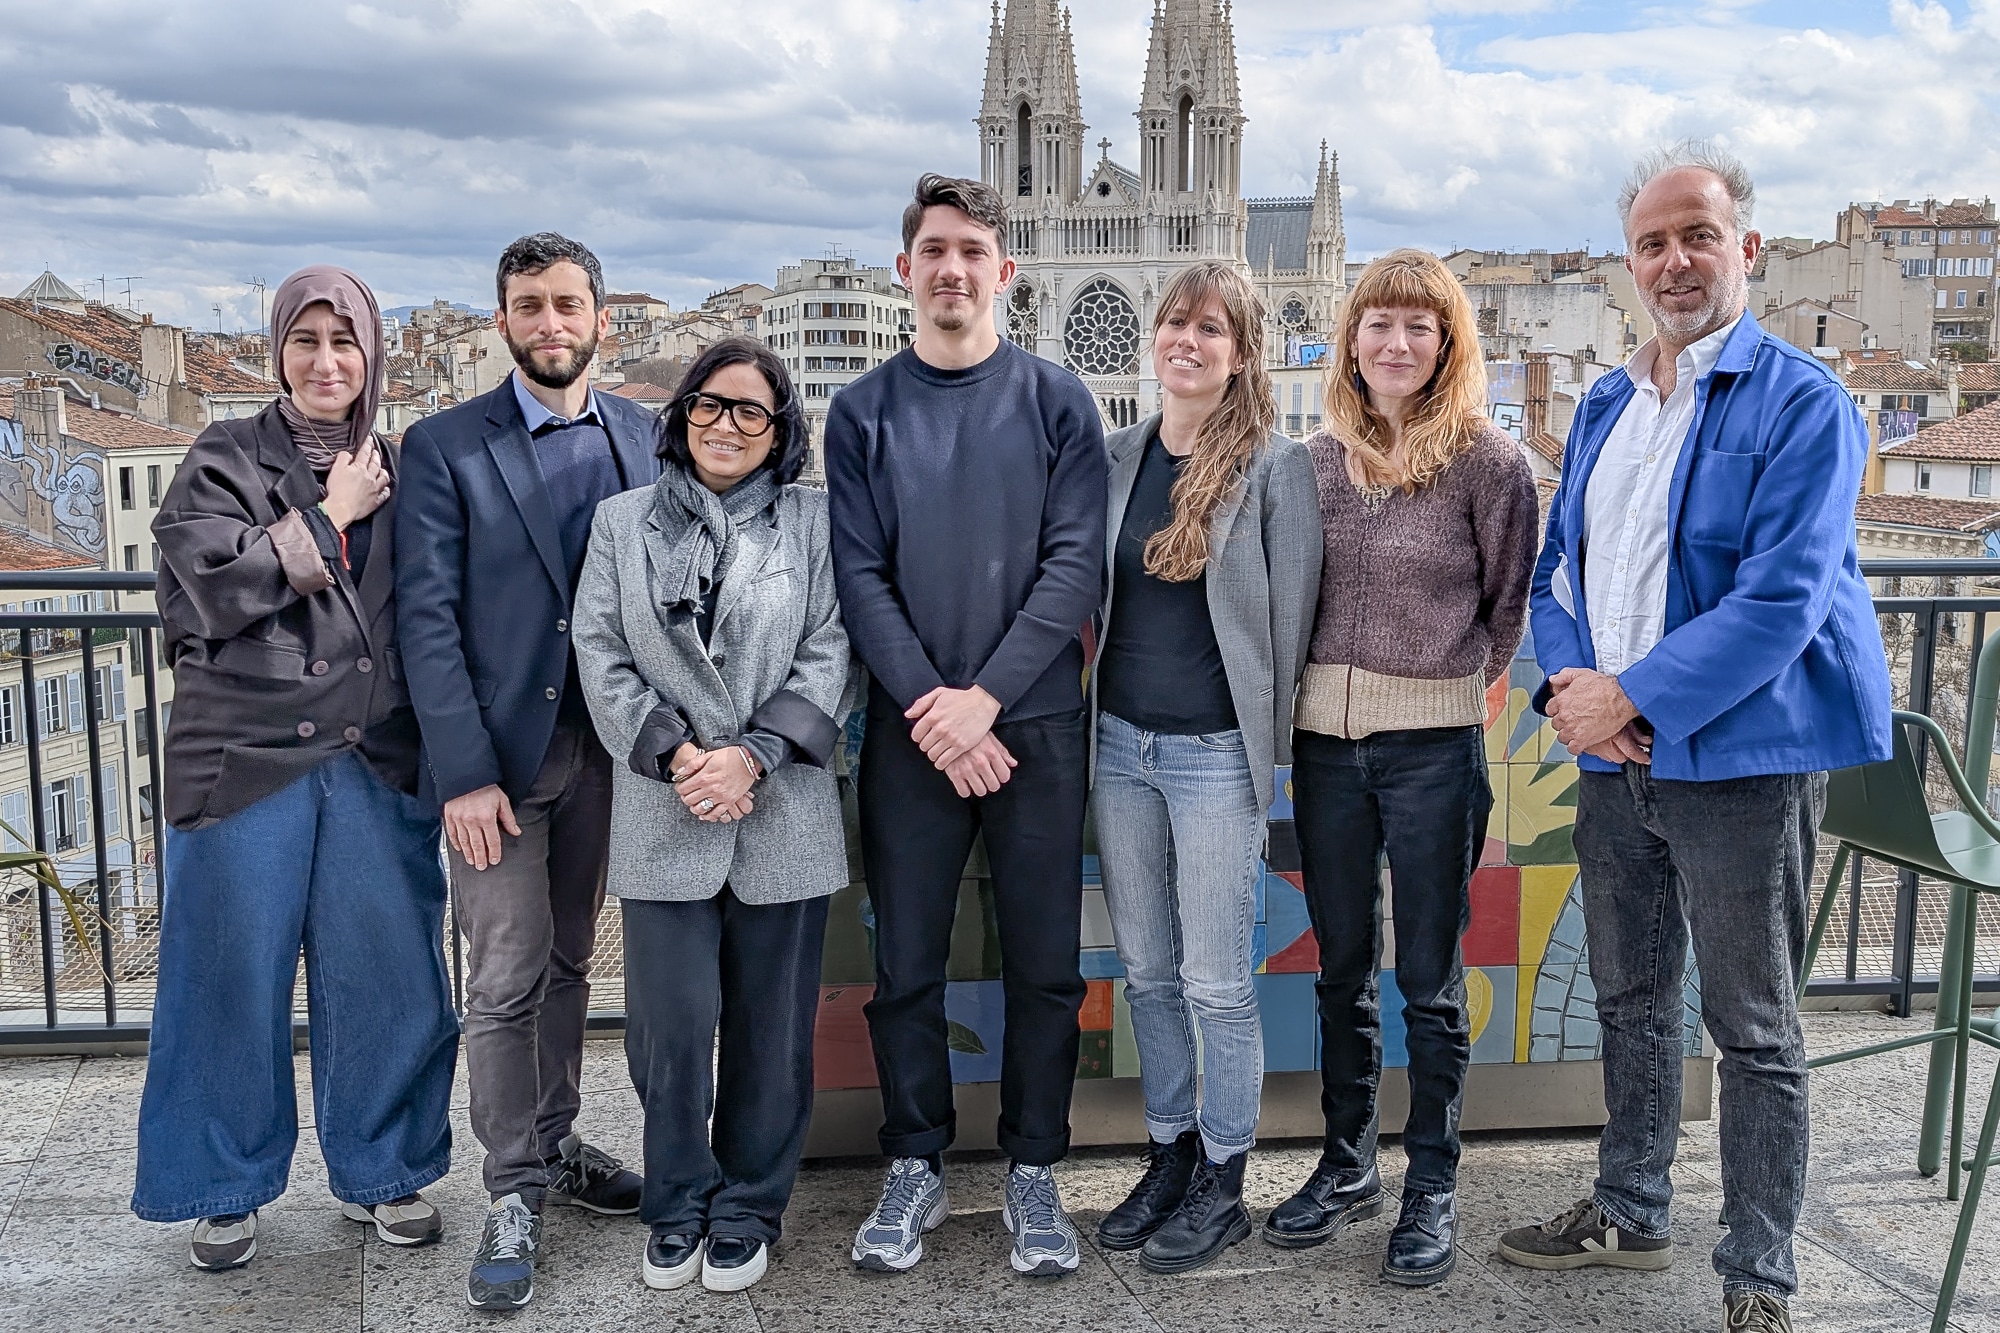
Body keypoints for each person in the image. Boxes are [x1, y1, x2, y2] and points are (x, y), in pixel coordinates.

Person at [1497, 141, 1891, 1333]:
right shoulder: (1612, 399)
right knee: (1628, 993)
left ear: (1746, 249)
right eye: (1652, 243)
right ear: (1628, 264)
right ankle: (1629, 1206)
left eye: (1696, 236)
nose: (1673, 261)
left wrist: (1630, 699)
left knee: (1753, 1022)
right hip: (1614, 759)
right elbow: (1555, 563)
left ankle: (1757, 1273)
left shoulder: (1804, 403)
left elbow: (1779, 602)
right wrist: (1574, 685)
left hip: (1741, 761)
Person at [134, 266, 458, 1270]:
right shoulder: (223, 453)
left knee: (390, 971)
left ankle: (386, 1168)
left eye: (345, 341)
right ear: (278, 350)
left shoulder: (410, 466)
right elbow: (206, 592)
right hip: (245, 759)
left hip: (371, 757)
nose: (326, 361)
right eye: (306, 341)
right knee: (227, 973)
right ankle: (221, 1185)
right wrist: (329, 515)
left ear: (373, 354)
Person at [825, 173, 1106, 1278]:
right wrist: (937, 712)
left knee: (1042, 963)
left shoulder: (1056, 399)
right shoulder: (860, 411)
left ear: (1004, 271)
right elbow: (857, 575)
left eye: (971, 251)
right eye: (932, 250)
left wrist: (982, 700)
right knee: (905, 967)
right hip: (908, 735)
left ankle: (1034, 1169)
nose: (951, 268)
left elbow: (1072, 563)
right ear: (906, 271)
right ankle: (916, 1162)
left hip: (1031, 729)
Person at [1263, 248, 1537, 1286]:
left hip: (1431, 747)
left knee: (1425, 977)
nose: (1395, 343)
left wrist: (1460, 688)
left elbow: (1507, 605)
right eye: (1378, 323)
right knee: (1339, 969)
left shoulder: (1488, 463)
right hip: (1323, 748)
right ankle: (1346, 1164)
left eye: (1418, 327)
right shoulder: (1312, 462)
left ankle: (1430, 1184)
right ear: (1348, 341)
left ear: (1446, 344)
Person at [396, 233, 652, 1312]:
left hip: (612, 755)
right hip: (497, 766)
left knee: (568, 966)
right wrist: (460, 773)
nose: (551, 323)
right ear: (501, 321)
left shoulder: (644, 431)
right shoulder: (445, 444)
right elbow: (427, 616)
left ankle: (554, 1145)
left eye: (567, 303)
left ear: (600, 318)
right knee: (501, 976)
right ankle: (510, 1186)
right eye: (529, 305)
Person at [572, 336, 851, 1295]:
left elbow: (832, 648)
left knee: (773, 1031)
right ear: (680, 414)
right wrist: (682, 756)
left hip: (782, 809)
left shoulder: (815, 524)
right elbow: (599, 650)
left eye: (749, 411)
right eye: (708, 405)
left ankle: (746, 1208)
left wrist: (755, 755)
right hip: (665, 805)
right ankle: (676, 1200)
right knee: (671, 1028)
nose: (725, 425)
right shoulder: (621, 524)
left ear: (779, 433)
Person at [1089, 260, 1321, 1274]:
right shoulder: (1113, 456)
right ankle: (1169, 1150)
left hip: (1214, 756)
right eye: (1174, 323)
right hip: (1116, 747)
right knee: (1146, 972)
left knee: (1216, 979)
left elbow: (1292, 625)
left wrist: (1266, 762)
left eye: (1209, 330)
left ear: (1240, 353)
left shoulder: (1275, 469)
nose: (1186, 341)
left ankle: (1224, 1176)